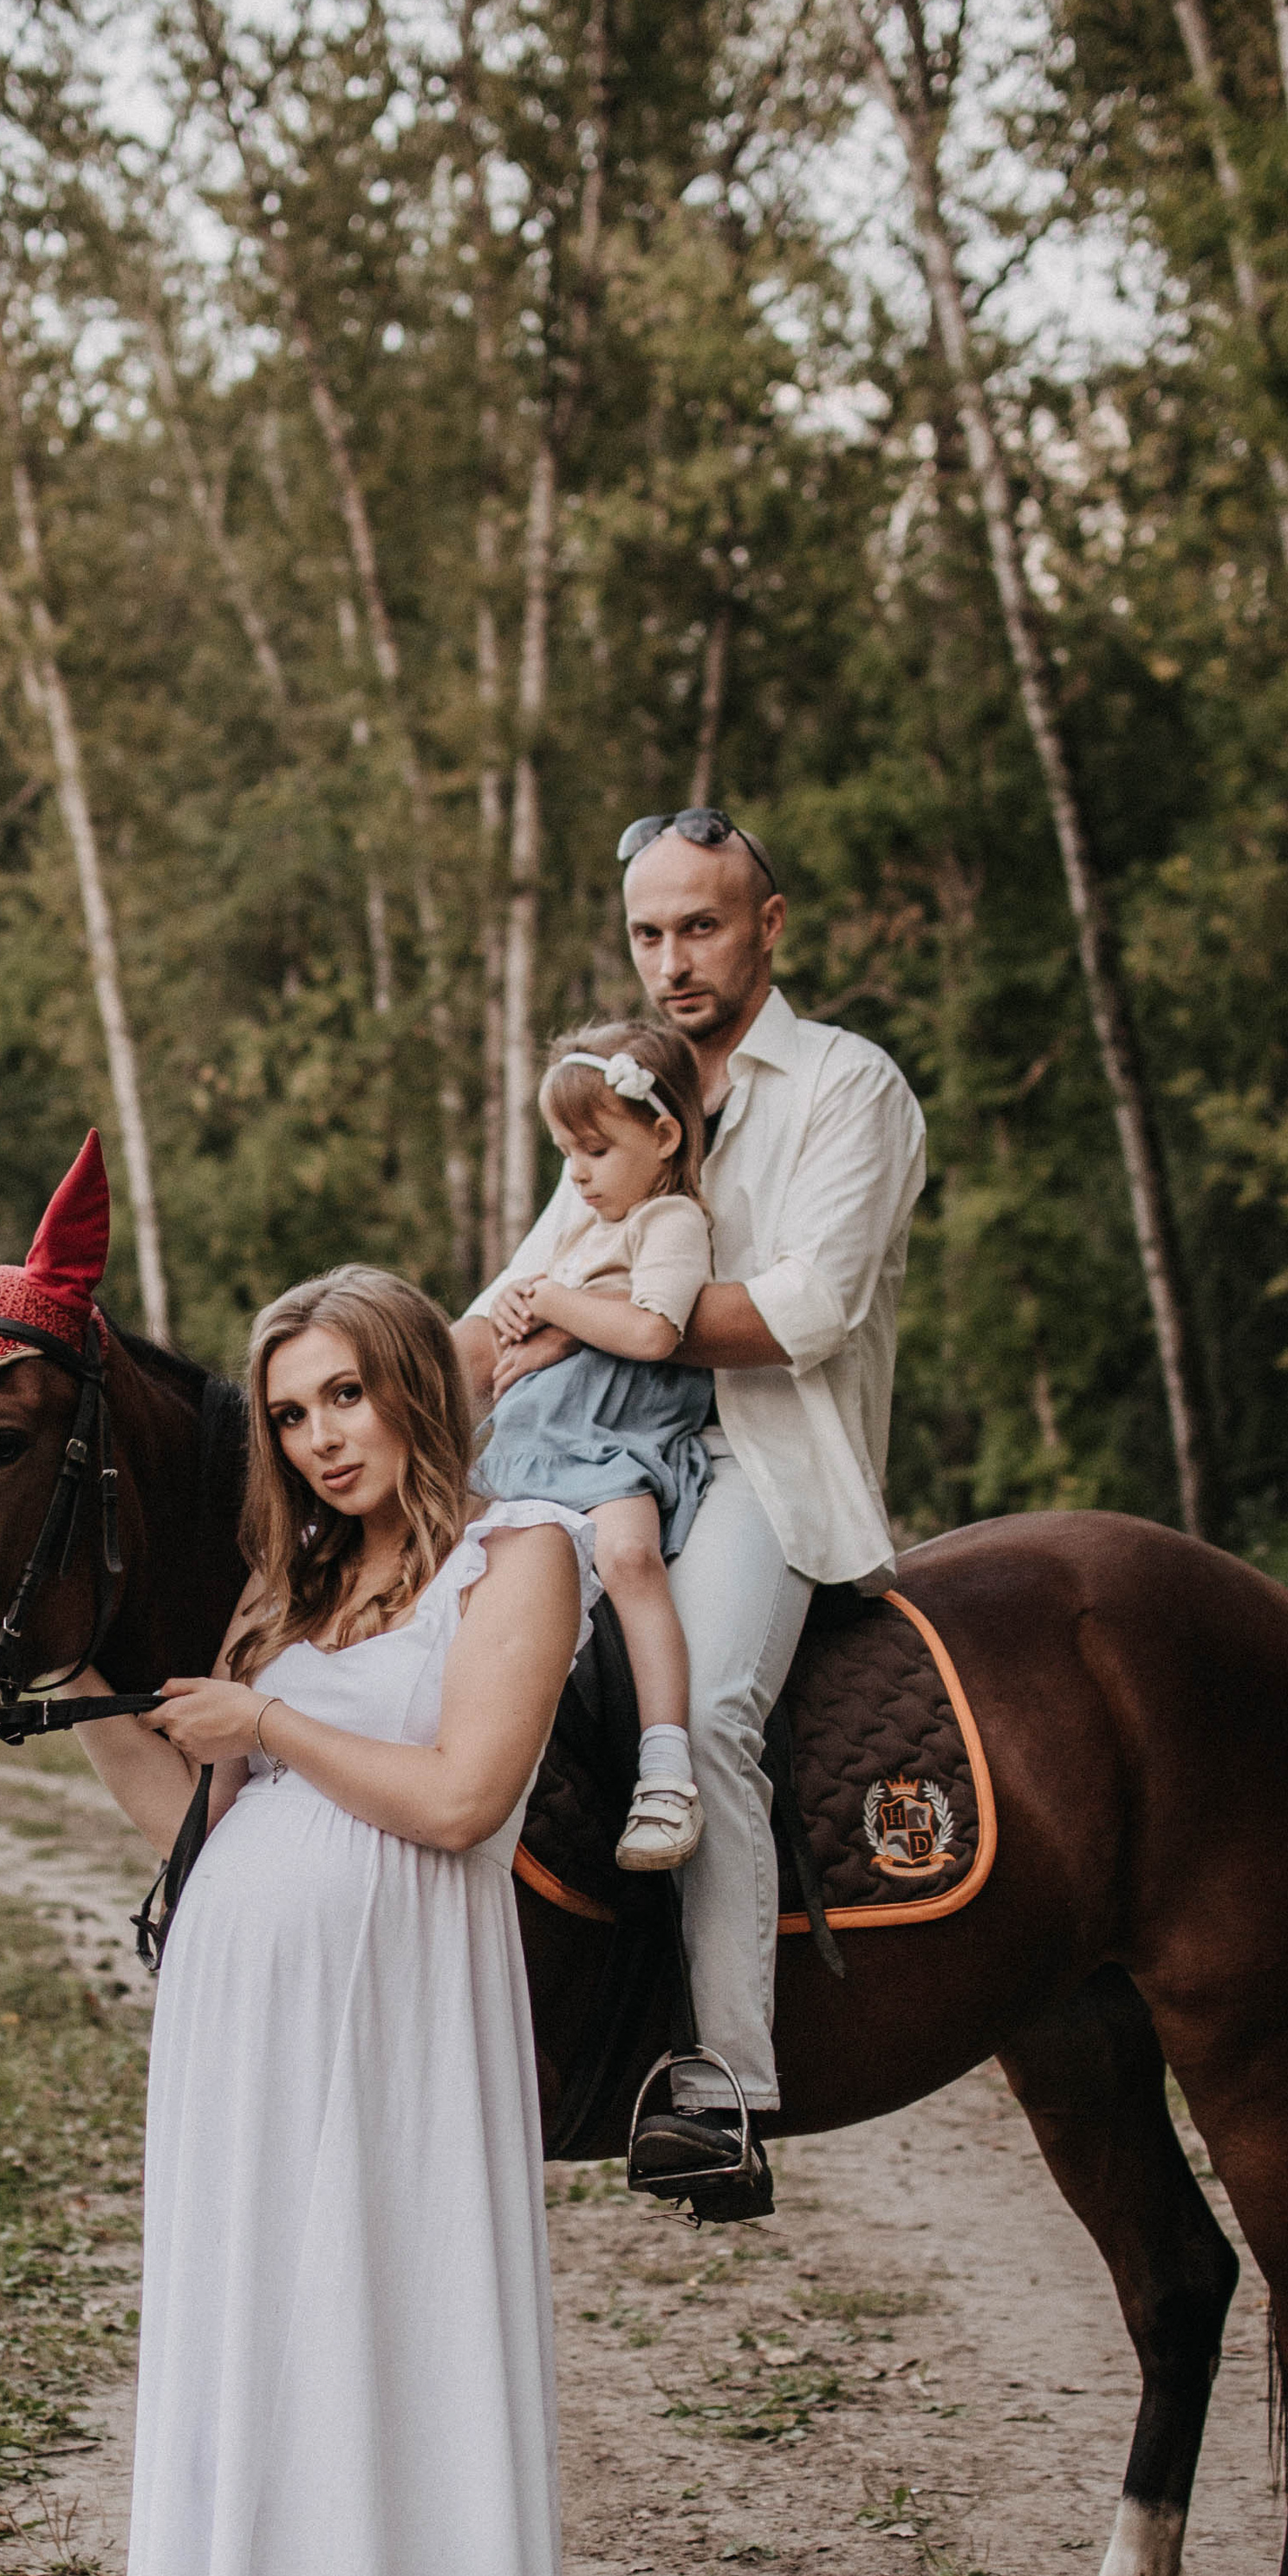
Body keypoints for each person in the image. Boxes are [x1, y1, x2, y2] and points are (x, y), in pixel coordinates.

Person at [63, 1267, 595, 2576]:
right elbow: (203, 1840)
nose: (318, 1436)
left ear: (413, 1394)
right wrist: (119, 1706)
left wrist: (270, 1725)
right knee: (313, 2446)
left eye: (346, 1396)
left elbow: (458, 1799)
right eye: (290, 1414)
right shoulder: (284, 1599)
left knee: (290, 2468)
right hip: (244, 2069)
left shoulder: (514, 1559)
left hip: (381, 2068)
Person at [457, 808, 926, 2202]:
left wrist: (586, 1320)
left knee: (710, 1699)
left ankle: (724, 2081)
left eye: (702, 926)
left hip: (761, 1464)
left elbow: (808, 1311)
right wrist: (389, 1373)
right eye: (651, 932)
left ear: (768, 926)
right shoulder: (624, 1093)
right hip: (598, 1453)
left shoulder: (851, 1087)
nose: (674, 959)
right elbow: (526, 1283)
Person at [478, 1017, 714, 1870]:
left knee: (629, 1560)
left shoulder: (670, 1219)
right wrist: (519, 1308)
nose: (575, 1173)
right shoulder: (583, 1224)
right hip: (542, 1429)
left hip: (615, 1434)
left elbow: (653, 1332)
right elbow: (557, 1311)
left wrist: (549, 1304)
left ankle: (665, 1769)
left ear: (662, 1136)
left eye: (594, 1150)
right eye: (564, 1152)